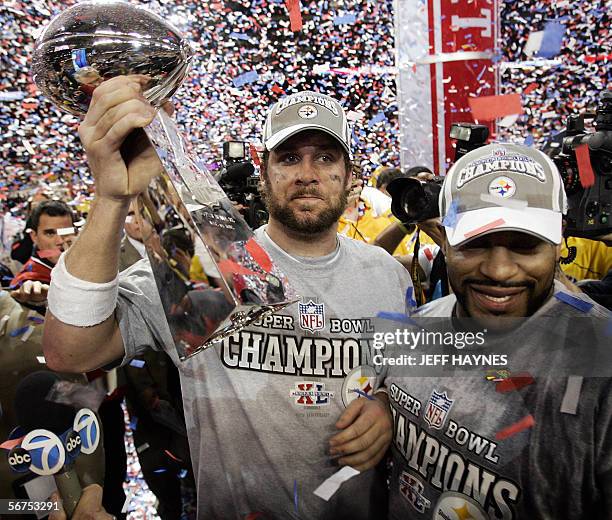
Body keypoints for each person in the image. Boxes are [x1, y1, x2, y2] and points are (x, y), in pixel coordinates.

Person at [43, 79, 413, 519]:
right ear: (264, 173)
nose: (307, 174)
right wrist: (111, 197)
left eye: (326, 158)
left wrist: (391, 407)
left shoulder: (387, 276)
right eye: (290, 158)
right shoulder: (207, 267)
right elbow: (70, 351)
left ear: (350, 176)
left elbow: (409, 382)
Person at [376, 144, 612, 519]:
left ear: (558, 241)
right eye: (476, 243)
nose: (500, 271)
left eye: (524, 245)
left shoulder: (602, 367)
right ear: (446, 239)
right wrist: (384, 409)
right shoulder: (419, 326)